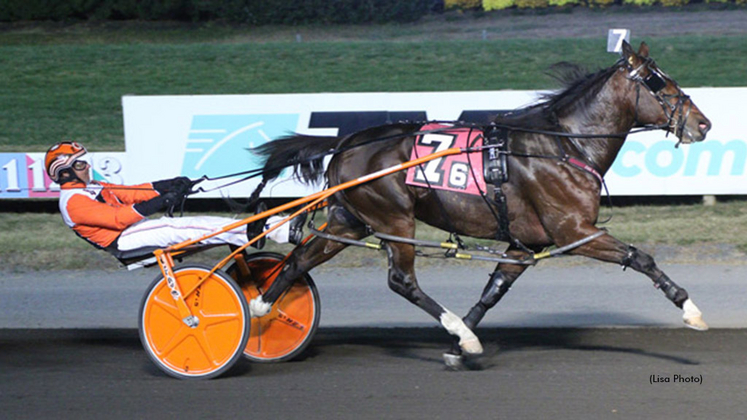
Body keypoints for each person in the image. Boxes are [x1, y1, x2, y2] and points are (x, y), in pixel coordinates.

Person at [45, 141, 302, 256]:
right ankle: (267, 230)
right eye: (80, 164)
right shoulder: (73, 202)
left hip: (133, 230)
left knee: (193, 222)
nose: (87, 167)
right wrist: (162, 201)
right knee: (174, 226)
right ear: (64, 171)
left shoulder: (92, 186)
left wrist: (168, 185)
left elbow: (131, 192)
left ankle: (266, 229)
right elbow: (118, 218)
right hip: (122, 240)